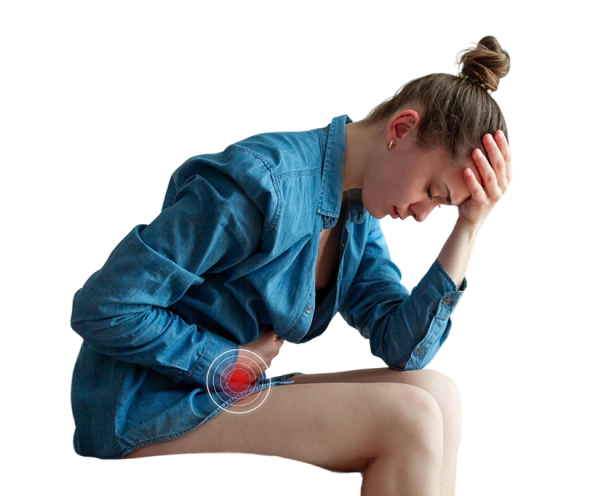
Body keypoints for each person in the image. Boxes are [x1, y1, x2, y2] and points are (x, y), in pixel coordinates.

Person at [69, 34, 513, 494]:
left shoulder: (357, 215)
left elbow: (403, 348)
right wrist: (225, 364)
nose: (423, 215)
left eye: (441, 208)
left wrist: (470, 225)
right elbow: (103, 307)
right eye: (434, 193)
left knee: (439, 393)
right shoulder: (262, 185)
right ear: (400, 129)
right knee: (409, 419)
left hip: (226, 395)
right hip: (146, 409)